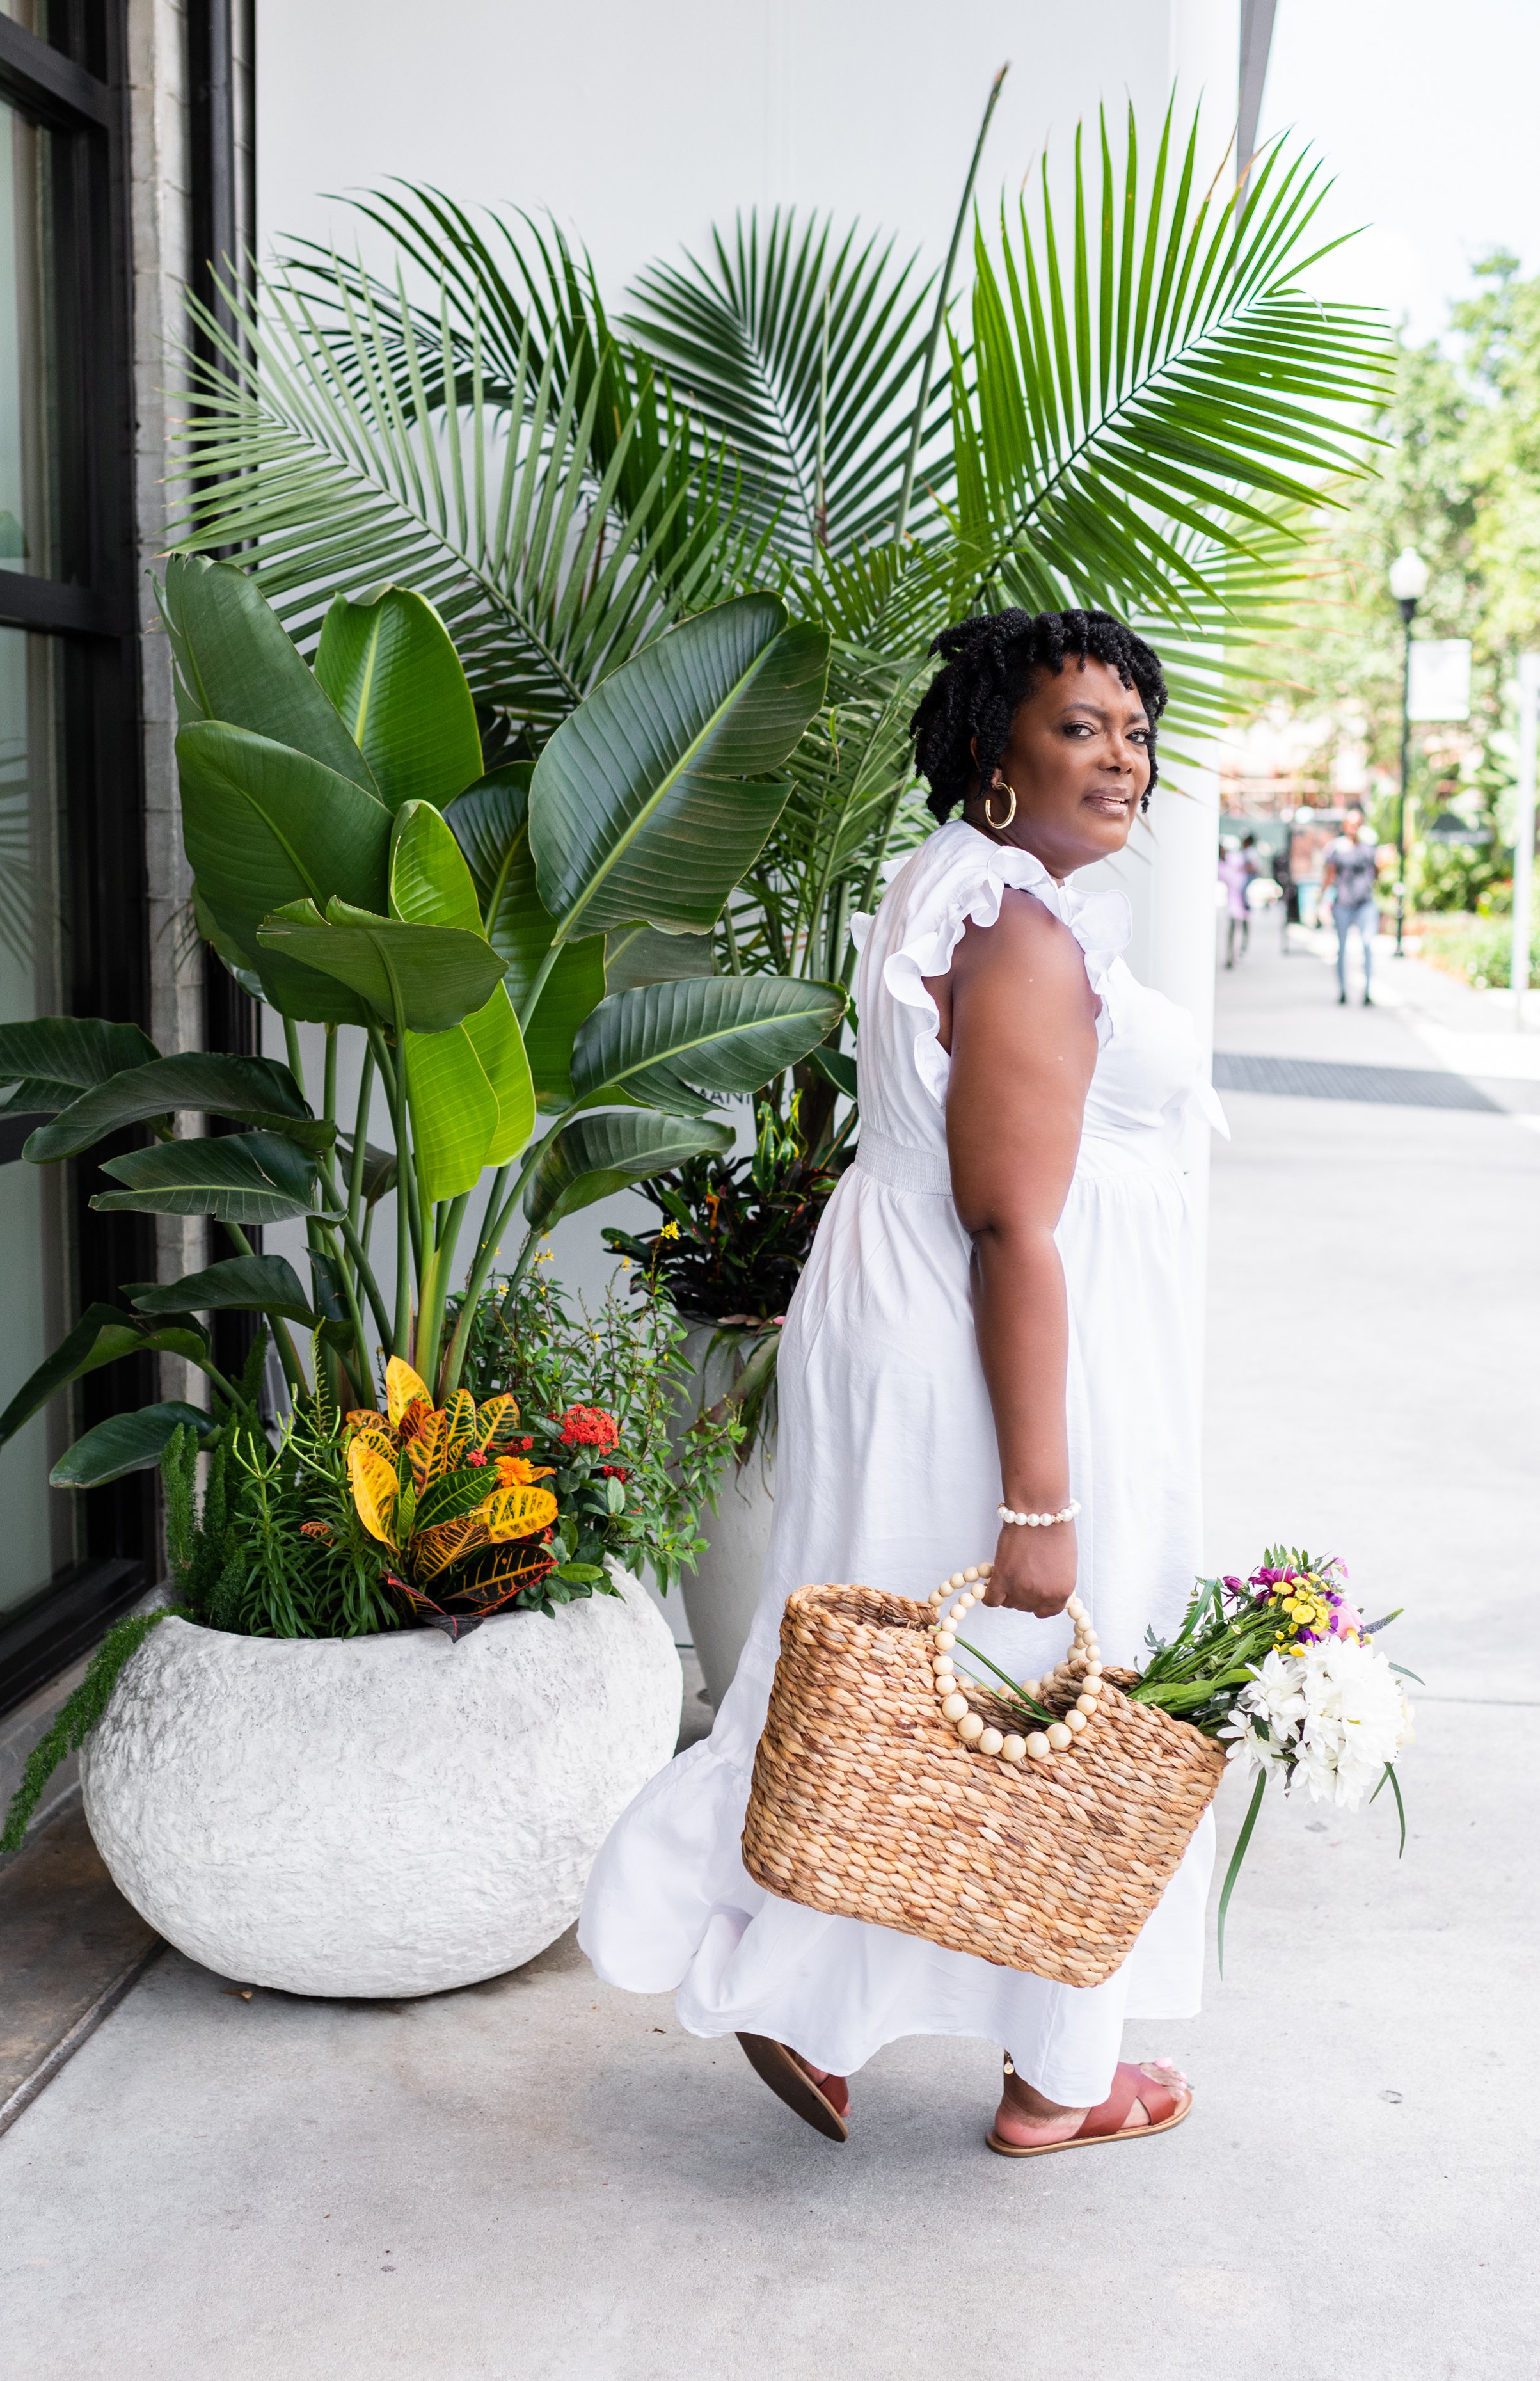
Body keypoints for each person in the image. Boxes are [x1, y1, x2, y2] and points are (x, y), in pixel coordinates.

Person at [581, 607, 1225, 2158]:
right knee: (1037, 1684)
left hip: (915, 1316)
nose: (1121, 755)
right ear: (998, 751)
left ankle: (835, 2002)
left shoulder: (950, 884)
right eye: (1081, 726)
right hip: (991, 1347)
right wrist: (1042, 1490)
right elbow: (1013, 1222)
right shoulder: (1015, 927)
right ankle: (1050, 2072)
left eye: (1135, 726)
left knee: (904, 1679)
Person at [1323, 808, 1379, 1006]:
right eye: (1351, 824)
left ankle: (1367, 991)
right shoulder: (1336, 848)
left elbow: (1376, 872)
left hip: (1364, 903)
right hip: (1343, 904)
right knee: (1342, 948)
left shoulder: (1368, 848)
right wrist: (1321, 902)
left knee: (1367, 945)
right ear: (1345, 825)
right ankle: (1343, 991)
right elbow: (1329, 875)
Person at [1218, 834, 1251, 967]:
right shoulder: (1221, 866)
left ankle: (1237, 954)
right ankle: (1231, 957)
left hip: (1241, 900)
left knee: (1241, 929)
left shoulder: (1236, 859)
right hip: (1230, 903)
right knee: (1232, 930)